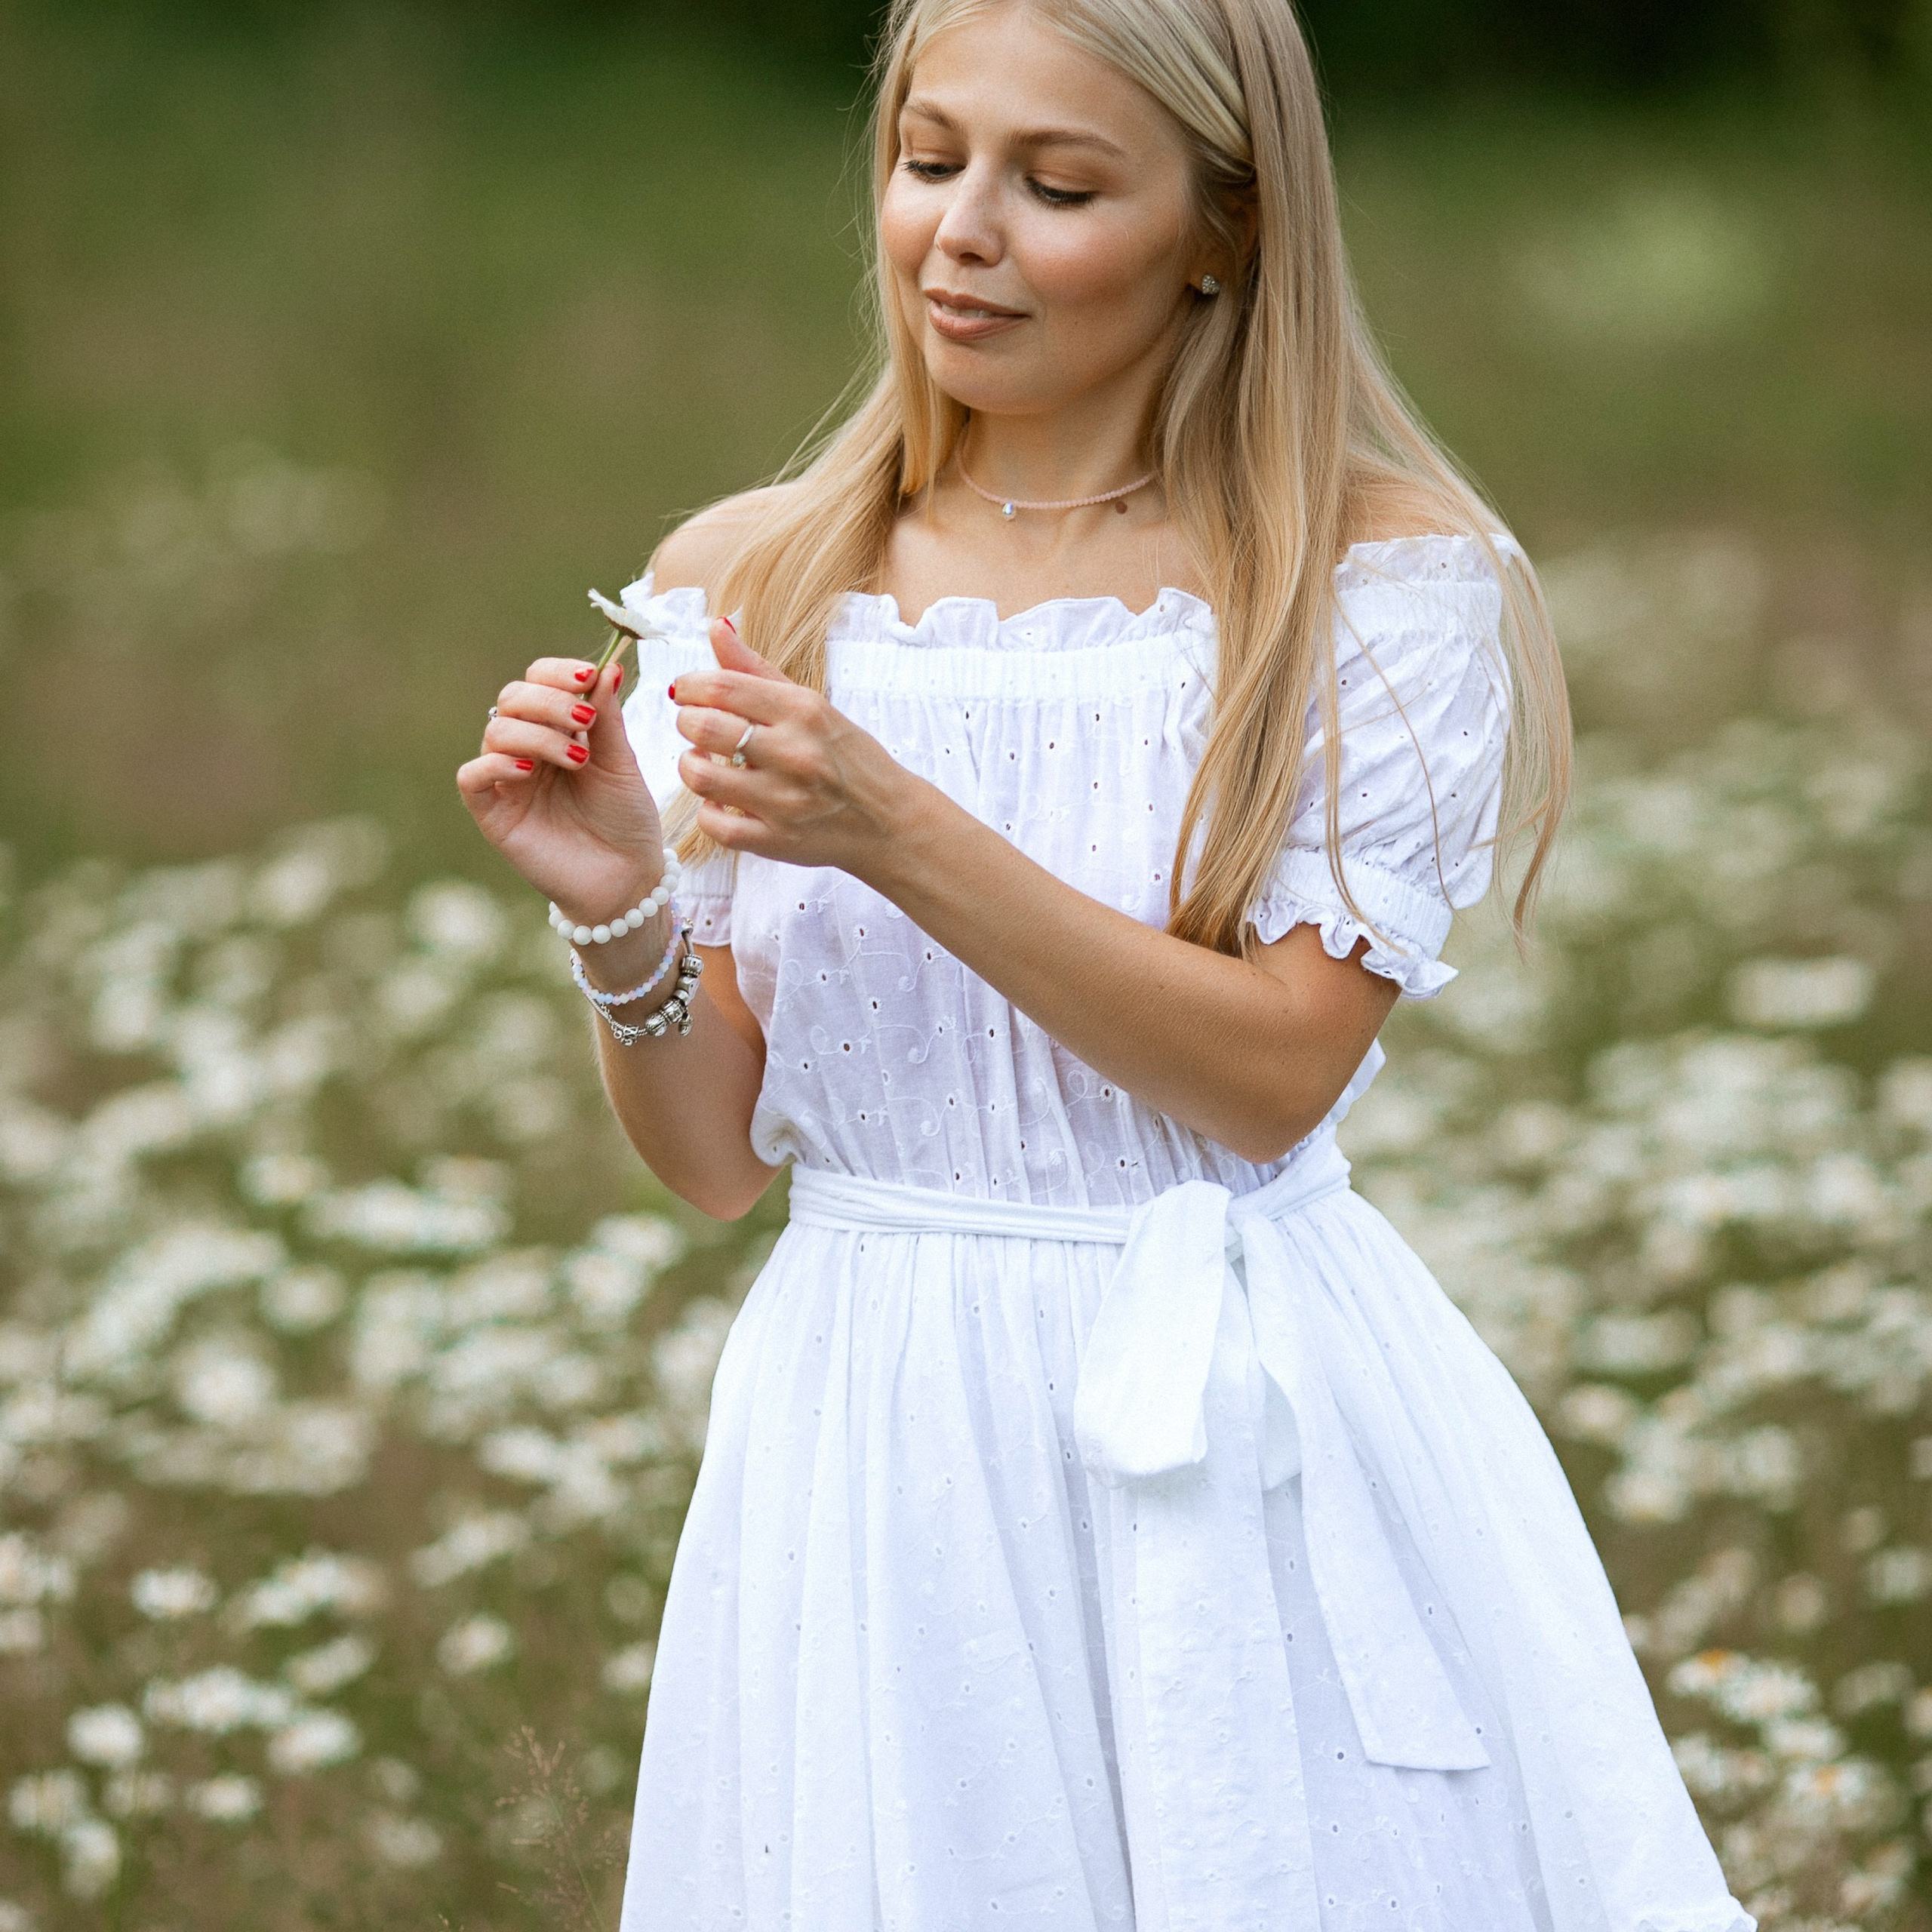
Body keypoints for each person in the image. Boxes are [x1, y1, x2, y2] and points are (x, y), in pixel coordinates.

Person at [460, 2, 1752, 1925]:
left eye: (1056, 185)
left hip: (1242, 1421)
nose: (960, 231)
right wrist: (619, 904)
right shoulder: (757, 573)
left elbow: (1269, 1073)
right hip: (877, 1430)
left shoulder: (1368, 576)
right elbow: (715, 1159)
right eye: (927, 160)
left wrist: (891, 824)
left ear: (1223, 225)